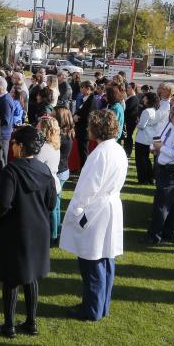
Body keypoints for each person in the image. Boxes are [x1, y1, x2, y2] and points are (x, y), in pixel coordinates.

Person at [59, 110, 129, 322]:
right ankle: (101, 305)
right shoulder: (117, 149)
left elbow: (88, 187)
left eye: (90, 126)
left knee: (92, 261)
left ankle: (92, 309)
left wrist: (77, 212)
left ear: (97, 128)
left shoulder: (100, 153)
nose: (87, 129)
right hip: (109, 206)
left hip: (96, 209)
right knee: (106, 259)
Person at [0, 126, 56, 339]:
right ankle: (31, 321)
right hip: (39, 229)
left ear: (21, 146)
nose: (12, 146)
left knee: (11, 278)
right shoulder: (44, 170)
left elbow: (3, 204)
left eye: (15, 143)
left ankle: (9, 325)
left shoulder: (12, 171)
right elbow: (51, 202)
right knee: (31, 276)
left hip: (15, 229)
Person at [144, 104, 174, 244]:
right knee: (169, 205)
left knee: (161, 205)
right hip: (168, 170)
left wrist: (162, 148)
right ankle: (167, 233)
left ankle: (154, 236)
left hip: (173, 172)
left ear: (172, 115)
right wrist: (158, 148)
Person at [52, 107, 75, 246]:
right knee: (57, 204)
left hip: (59, 171)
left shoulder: (61, 137)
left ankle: (53, 235)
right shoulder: (67, 134)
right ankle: (58, 229)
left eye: (54, 116)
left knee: (53, 205)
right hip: (63, 170)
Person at [0, 78, 16, 191]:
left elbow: (5, 120)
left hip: (3, 136)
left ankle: (1, 187)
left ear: (0, 86)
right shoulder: (1, 98)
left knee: (1, 162)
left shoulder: (5, 100)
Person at [134, 91, 159, 185]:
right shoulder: (154, 110)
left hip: (142, 139)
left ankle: (143, 179)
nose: (143, 99)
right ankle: (149, 178)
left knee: (141, 160)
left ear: (148, 100)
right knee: (146, 159)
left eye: (145, 98)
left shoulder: (146, 111)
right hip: (149, 139)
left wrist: (137, 122)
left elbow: (142, 126)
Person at [73, 81, 95, 167]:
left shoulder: (91, 100)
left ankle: (84, 169)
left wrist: (77, 118)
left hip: (84, 130)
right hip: (81, 129)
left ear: (88, 89)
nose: (80, 89)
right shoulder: (86, 99)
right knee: (82, 150)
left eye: (82, 87)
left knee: (84, 151)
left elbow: (88, 115)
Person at [123, 83, 140, 156]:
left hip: (130, 122)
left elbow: (126, 109)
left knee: (128, 136)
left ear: (133, 88)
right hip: (128, 121)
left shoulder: (134, 98)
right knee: (127, 137)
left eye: (129, 88)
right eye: (127, 87)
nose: (127, 89)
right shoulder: (129, 97)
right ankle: (126, 151)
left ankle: (128, 152)